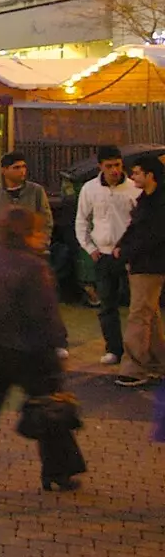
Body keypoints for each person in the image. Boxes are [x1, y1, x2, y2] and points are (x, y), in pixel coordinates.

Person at [0, 206, 86, 499]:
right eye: (37, 232)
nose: (41, 238)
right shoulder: (33, 267)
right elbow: (45, 314)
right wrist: (58, 347)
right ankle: (59, 470)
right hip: (27, 349)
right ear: (26, 235)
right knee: (50, 404)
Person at [75, 145, 139, 367]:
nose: (114, 170)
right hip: (102, 254)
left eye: (117, 165)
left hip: (129, 254)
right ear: (100, 166)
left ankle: (137, 350)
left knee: (136, 306)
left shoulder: (133, 188)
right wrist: (90, 248)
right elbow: (82, 220)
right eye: (109, 166)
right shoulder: (90, 189)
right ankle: (114, 348)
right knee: (107, 305)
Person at [115, 153, 165, 387]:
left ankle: (134, 367)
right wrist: (121, 246)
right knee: (150, 313)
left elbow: (151, 236)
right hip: (140, 263)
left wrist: (126, 251)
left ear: (150, 175)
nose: (131, 176)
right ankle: (156, 361)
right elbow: (135, 229)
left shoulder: (159, 203)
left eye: (136, 172)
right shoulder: (145, 199)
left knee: (139, 314)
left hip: (150, 265)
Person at [0, 152, 51, 252]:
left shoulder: (36, 191)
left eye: (23, 167)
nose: (22, 171)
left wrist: (42, 243)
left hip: (31, 250)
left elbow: (46, 220)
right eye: (16, 167)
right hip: (3, 252)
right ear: (4, 170)